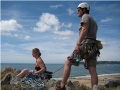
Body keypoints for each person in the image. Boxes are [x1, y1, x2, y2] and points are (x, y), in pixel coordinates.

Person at [55, 2, 99, 90]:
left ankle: (62, 86)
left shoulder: (85, 16)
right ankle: (95, 88)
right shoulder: (94, 22)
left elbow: (84, 29)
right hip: (93, 47)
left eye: (78, 10)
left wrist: (78, 44)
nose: (77, 12)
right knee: (92, 69)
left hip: (85, 45)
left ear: (84, 9)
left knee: (68, 62)